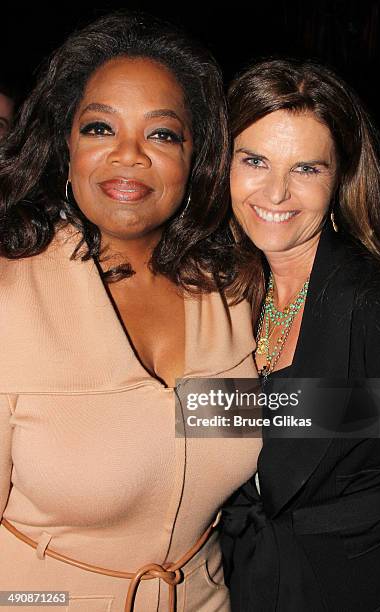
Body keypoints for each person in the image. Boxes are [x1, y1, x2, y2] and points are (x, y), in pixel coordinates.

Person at [0, 12, 261, 612]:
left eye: (163, 134)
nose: (129, 155)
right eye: (99, 128)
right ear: (65, 145)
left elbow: (282, 419)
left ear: (196, 158)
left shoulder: (230, 292)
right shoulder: (13, 297)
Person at [220, 59, 380, 611]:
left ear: (339, 178)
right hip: (243, 583)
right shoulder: (221, 290)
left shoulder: (378, 312)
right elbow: (240, 419)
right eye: (255, 160)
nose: (276, 192)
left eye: (306, 168)